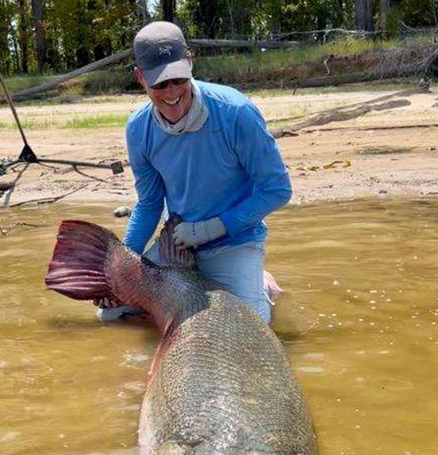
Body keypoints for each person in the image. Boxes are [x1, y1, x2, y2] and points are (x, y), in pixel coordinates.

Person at [97, 21, 292, 323]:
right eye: (159, 84)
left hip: (234, 241)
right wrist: (123, 266)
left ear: (190, 63)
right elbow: (149, 204)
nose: (172, 92)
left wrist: (212, 228)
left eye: (178, 79)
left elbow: (277, 190)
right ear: (140, 78)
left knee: (253, 325)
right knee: (110, 314)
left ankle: (259, 283)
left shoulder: (236, 112)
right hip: (179, 246)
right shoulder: (138, 128)